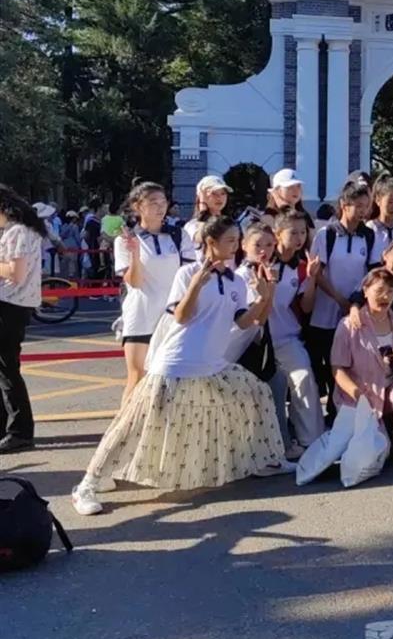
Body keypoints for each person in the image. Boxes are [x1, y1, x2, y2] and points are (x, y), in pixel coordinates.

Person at [70, 216, 290, 516]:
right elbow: (181, 317)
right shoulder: (187, 273)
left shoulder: (236, 280)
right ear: (210, 243)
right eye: (229, 241)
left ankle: (263, 460)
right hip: (174, 364)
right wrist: (197, 285)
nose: (235, 246)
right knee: (133, 424)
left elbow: (246, 322)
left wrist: (266, 297)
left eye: (237, 240)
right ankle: (87, 484)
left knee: (256, 393)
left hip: (212, 365)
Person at [113, 181, 196, 407]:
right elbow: (135, 282)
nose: (160, 207)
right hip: (140, 316)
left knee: (171, 379)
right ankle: (125, 433)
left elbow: (189, 276)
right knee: (137, 377)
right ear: (137, 207)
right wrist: (135, 254)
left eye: (163, 202)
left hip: (172, 317)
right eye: (152, 203)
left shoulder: (179, 236)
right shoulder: (125, 240)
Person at [330, 268, 393, 464]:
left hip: (388, 390)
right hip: (359, 397)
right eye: (379, 290)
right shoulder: (349, 325)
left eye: (390, 291)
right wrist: (358, 395)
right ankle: (382, 441)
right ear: (365, 291)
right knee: (378, 455)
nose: (385, 296)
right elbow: (337, 369)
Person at [309, 180, 382, 423]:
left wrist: (355, 302)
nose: (362, 211)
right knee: (327, 361)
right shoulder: (327, 235)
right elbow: (317, 273)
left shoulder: (368, 236)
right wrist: (339, 299)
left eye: (365, 206)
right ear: (344, 205)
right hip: (325, 310)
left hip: (354, 310)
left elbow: (371, 273)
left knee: (348, 362)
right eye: (357, 205)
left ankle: (340, 412)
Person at [262, 209, 324, 453]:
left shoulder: (301, 267)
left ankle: (312, 441)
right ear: (278, 234)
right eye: (293, 232)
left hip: (287, 335)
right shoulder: (262, 259)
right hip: (256, 337)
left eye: (303, 232)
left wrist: (311, 279)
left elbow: (306, 307)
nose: (299, 238)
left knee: (304, 378)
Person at [0, 186, 46, 454]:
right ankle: (10, 427)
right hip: (15, 305)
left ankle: (19, 430)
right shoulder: (21, 230)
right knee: (5, 369)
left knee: (7, 370)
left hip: (9, 305)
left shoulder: (17, 232)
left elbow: (15, 273)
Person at [184, 175, 233, 248]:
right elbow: (201, 237)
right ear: (201, 197)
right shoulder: (192, 225)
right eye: (213, 193)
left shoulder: (232, 223)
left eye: (223, 193)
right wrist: (203, 209)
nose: (219, 197)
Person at [59, 210, 82, 278]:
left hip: (65, 246)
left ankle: (65, 278)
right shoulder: (75, 227)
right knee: (73, 264)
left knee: (66, 264)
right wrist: (80, 246)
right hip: (74, 247)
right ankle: (72, 278)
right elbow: (77, 238)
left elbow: (61, 235)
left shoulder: (63, 226)